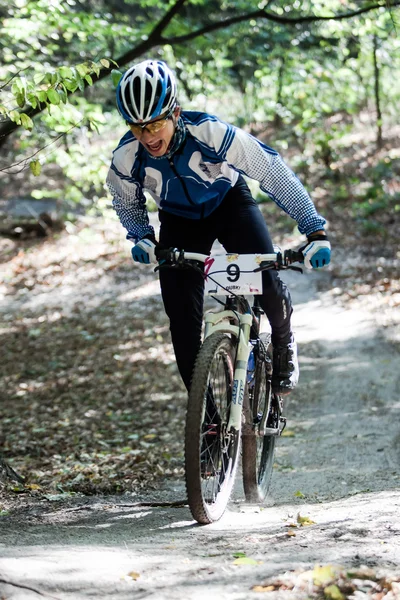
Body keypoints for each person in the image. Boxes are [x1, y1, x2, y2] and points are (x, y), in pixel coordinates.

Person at [107, 59, 331, 395]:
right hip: (179, 221)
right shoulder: (126, 156)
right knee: (182, 326)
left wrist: (314, 230)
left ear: (175, 113)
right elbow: (126, 201)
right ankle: (208, 425)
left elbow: (271, 171)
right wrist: (141, 235)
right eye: (137, 127)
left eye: (155, 124)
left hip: (229, 204)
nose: (147, 136)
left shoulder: (211, 133)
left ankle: (284, 342)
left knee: (266, 281)